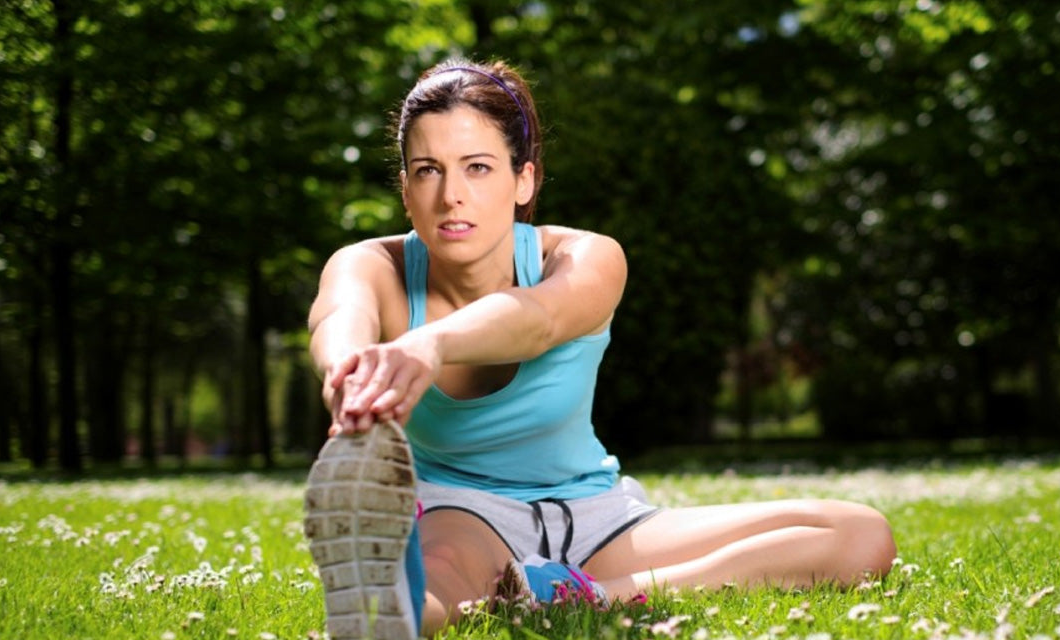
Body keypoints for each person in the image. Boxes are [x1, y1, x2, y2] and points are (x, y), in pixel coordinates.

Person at [302, 57, 896, 639]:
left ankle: (574, 595)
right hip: (463, 511)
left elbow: (537, 320)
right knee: (439, 585)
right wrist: (350, 375)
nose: (451, 195)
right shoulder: (371, 265)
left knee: (859, 535)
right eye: (428, 170)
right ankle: (389, 604)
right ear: (406, 189)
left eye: (478, 167)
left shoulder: (587, 257)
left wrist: (426, 346)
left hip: (597, 516)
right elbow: (338, 316)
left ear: (523, 179)